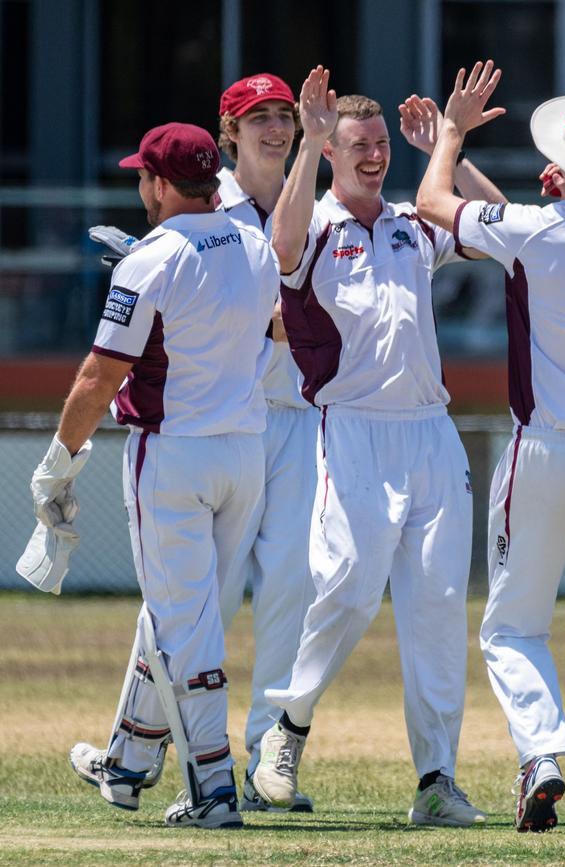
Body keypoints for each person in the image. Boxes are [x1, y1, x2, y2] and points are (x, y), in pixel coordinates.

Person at [251, 65, 506, 827]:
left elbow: (495, 224)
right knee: (353, 583)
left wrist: (447, 150)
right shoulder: (317, 224)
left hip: (431, 433)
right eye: (357, 144)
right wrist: (309, 141)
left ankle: (436, 780)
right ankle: (285, 729)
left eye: (381, 146)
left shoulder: (410, 221)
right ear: (332, 149)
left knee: (435, 609)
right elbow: (282, 243)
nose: (373, 156)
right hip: (353, 428)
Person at [416, 60, 565, 833]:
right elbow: (527, 232)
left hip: (547, 447)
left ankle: (541, 755)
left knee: (513, 625)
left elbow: (432, 205)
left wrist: (449, 135)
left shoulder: (540, 228)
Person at [31, 121, 278, 828]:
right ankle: (129, 761)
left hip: (174, 451)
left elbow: (98, 374)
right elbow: (268, 324)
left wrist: (56, 465)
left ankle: (215, 788)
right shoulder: (254, 243)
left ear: (163, 185)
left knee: (183, 624)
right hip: (244, 452)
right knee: (182, 613)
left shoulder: (151, 259)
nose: (140, 185)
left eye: (144, 175)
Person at [215, 72, 320, 813]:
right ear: (230, 129)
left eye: (284, 115)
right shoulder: (208, 205)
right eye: (259, 117)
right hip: (226, 418)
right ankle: (156, 747)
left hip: (299, 418)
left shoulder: (310, 195)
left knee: (291, 589)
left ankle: (265, 760)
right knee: (201, 596)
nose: (274, 128)